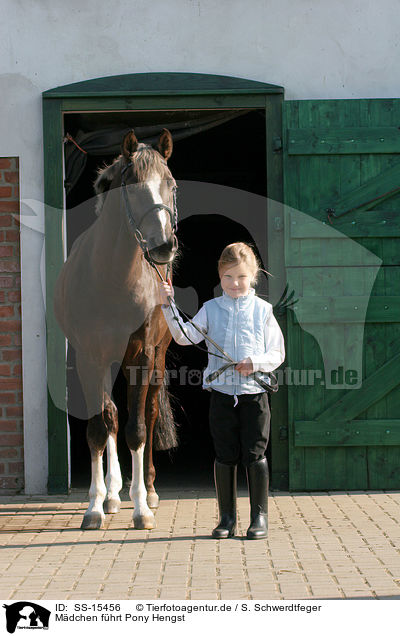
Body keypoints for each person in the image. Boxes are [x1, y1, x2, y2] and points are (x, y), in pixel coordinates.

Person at [159, 242, 285, 539]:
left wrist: (255, 362)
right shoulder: (211, 309)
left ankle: (259, 518)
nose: (234, 283)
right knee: (225, 455)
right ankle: (227, 518)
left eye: (240, 277)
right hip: (221, 395)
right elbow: (184, 336)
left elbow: (277, 353)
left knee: (254, 454)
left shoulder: (263, 310)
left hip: (254, 395)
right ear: (219, 276)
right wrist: (168, 305)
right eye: (228, 277)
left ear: (253, 276)